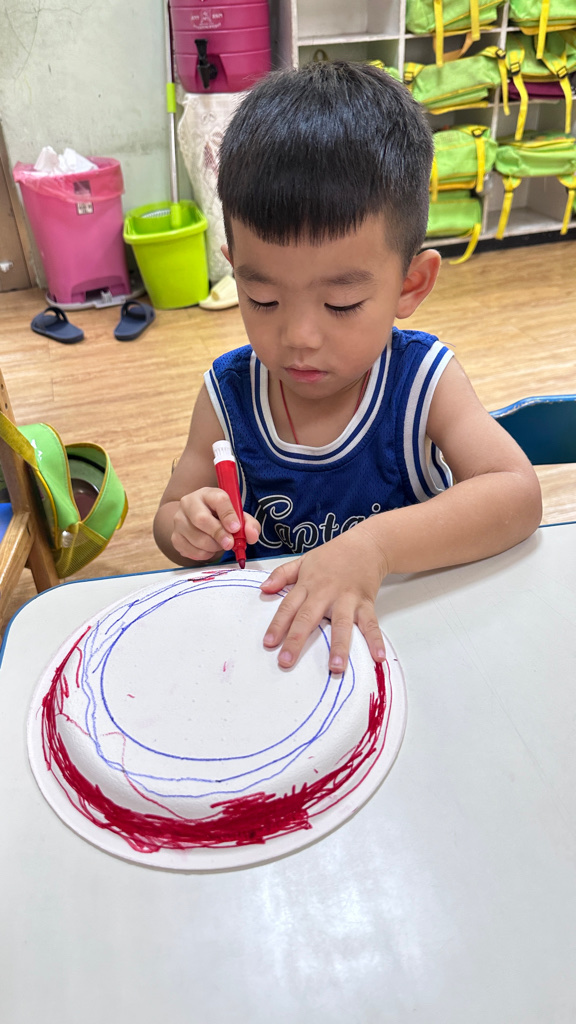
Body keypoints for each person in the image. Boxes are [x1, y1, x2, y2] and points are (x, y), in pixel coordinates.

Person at [154, 60, 541, 673]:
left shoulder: (423, 382)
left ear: (410, 285)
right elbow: (170, 517)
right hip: (276, 660)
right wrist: (189, 527)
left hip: (411, 643)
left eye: (341, 304)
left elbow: (516, 495)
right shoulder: (227, 395)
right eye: (262, 298)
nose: (299, 337)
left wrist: (376, 548)